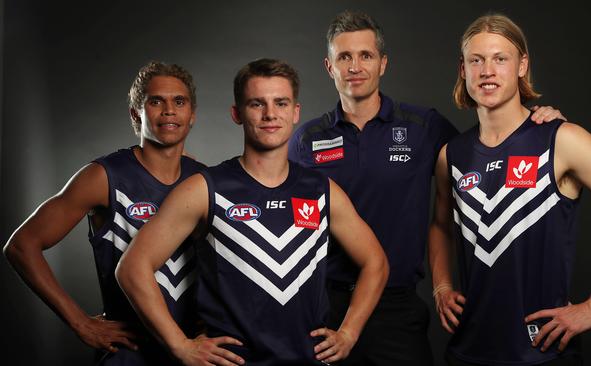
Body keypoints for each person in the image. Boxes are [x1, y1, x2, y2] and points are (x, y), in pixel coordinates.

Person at [288, 10, 565, 365]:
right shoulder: (307, 138)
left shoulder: (423, 126)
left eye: (366, 55)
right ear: (330, 67)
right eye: (344, 56)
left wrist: (540, 124)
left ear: (383, 63)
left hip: (397, 306)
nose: (355, 66)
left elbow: (483, 149)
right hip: (326, 304)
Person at [116, 58, 389, 366]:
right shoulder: (204, 189)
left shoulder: (321, 190)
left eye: (281, 103)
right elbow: (132, 267)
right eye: (257, 104)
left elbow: (375, 261)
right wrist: (180, 346)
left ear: (295, 112)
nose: (270, 114)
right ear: (237, 113)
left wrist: (349, 333)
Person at [430, 13, 591, 366]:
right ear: (463, 69)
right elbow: (440, 225)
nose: (487, 70)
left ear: (522, 65)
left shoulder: (562, 140)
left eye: (500, 58)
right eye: (477, 60)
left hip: (542, 354)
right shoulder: (450, 155)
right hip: (468, 352)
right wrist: (441, 286)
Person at [3, 61, 206, 365]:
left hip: (193, 351)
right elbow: (21, 246)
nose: (169, 110)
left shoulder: (203, 179)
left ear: (192, 115)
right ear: (136, 113)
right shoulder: (103, 177)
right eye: (155, 101)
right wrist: (80, 323)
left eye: (179, 101)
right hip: (131, 353)